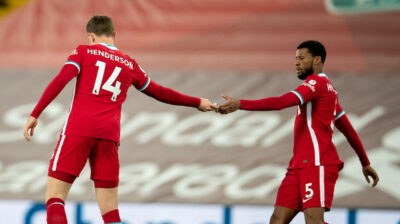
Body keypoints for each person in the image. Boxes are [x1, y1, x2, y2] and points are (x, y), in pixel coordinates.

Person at [23, 15, 217, 224]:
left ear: (90, 36)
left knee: (55, 198)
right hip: (109, 136)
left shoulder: (83, 51)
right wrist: (197, 102)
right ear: (115, 35)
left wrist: (36, 113)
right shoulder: (129, 64)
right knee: (110, 213)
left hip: (78, 129)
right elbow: (160, 92)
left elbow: (62, 78)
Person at [217, 40, 379, 224]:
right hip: (298, 166)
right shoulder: (328, 90)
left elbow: (281, 102)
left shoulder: (316, 84)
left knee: (313, 221)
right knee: (277, 220)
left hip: (317, 162)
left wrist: (241, 104)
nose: (297, 62)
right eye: (296, 58)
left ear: (317, 59)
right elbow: (348, 129)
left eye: (302, 58)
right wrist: (365, 162)